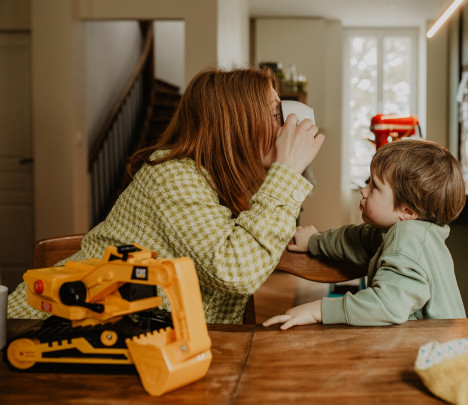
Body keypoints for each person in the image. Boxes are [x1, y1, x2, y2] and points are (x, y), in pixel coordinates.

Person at [8, 67, 324, 324]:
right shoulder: (173, 176)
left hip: (129, 338)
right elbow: (236, 271)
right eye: (274, 115)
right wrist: (286, 169)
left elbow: (248, 245)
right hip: (44, 327)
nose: (285, 125)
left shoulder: (235, 182)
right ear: (235, 126)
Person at [264, 138, 466, 330]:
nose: (363, 190)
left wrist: (318, 311)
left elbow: (387, 305)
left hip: (434, 351)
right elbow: (355, 240)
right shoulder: (403, 231)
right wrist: (314, 241)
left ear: (407, 211)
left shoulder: (407, 236)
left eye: (375, 186)